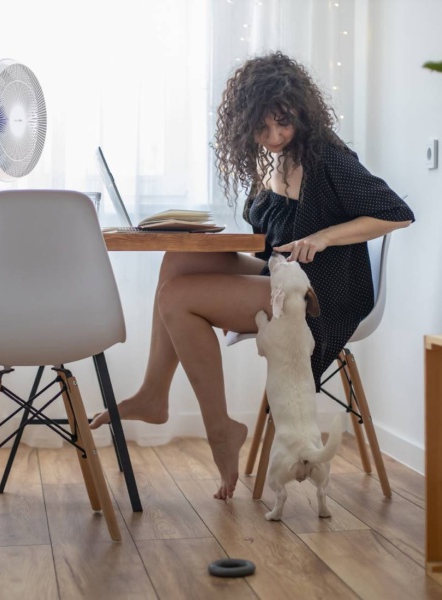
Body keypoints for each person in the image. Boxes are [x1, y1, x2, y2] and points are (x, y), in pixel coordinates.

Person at [91, 51, 415, 500]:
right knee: (177, 263)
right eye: (263, 128)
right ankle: (153, 393)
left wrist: (323, 236)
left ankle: (220, 428)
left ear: (300, 111)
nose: (276, 136)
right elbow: (268, 242)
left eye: (283, 124)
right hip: (282, 271)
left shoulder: (329, 159)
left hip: (324, 292)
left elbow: (397, 213)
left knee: (178, 298)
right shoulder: (272, 160)